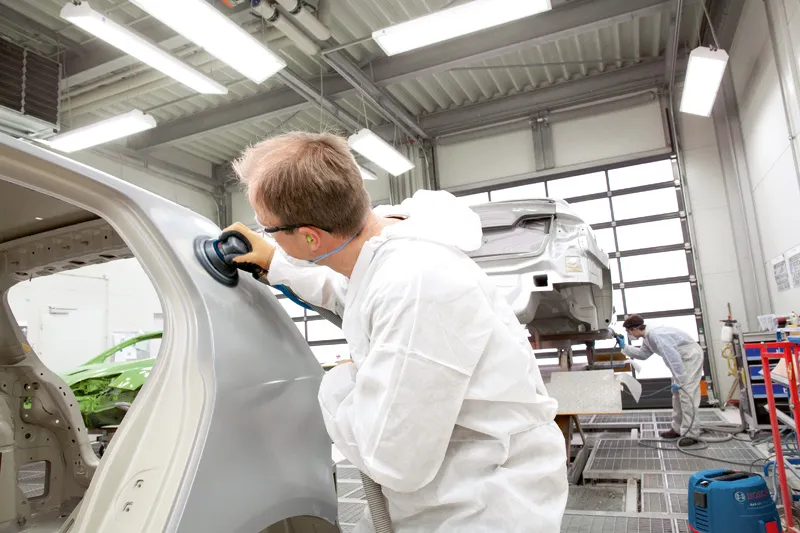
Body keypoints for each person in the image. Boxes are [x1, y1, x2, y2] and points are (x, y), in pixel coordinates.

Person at [222, 132, 568, 532]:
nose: (267, 237)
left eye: (269, 230)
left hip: (478, 506)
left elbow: (395, 460)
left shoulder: (416, 285)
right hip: (448, 491)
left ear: (310, 237)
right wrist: (278, 265)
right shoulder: (387, 240)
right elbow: (353, 291)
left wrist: (341, 382)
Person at [622, 314, 703, 445]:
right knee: (677, 394)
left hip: (690, 357)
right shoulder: (648, 336)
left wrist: (680, 380)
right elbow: (643, 355)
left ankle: (691, 434)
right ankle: (677, 428)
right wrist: (625, 347)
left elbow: (672, 358)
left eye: (628, 331)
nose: (629, 334)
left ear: (635, 329)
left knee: (687, 394)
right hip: (681, 359)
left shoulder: (655, 335)